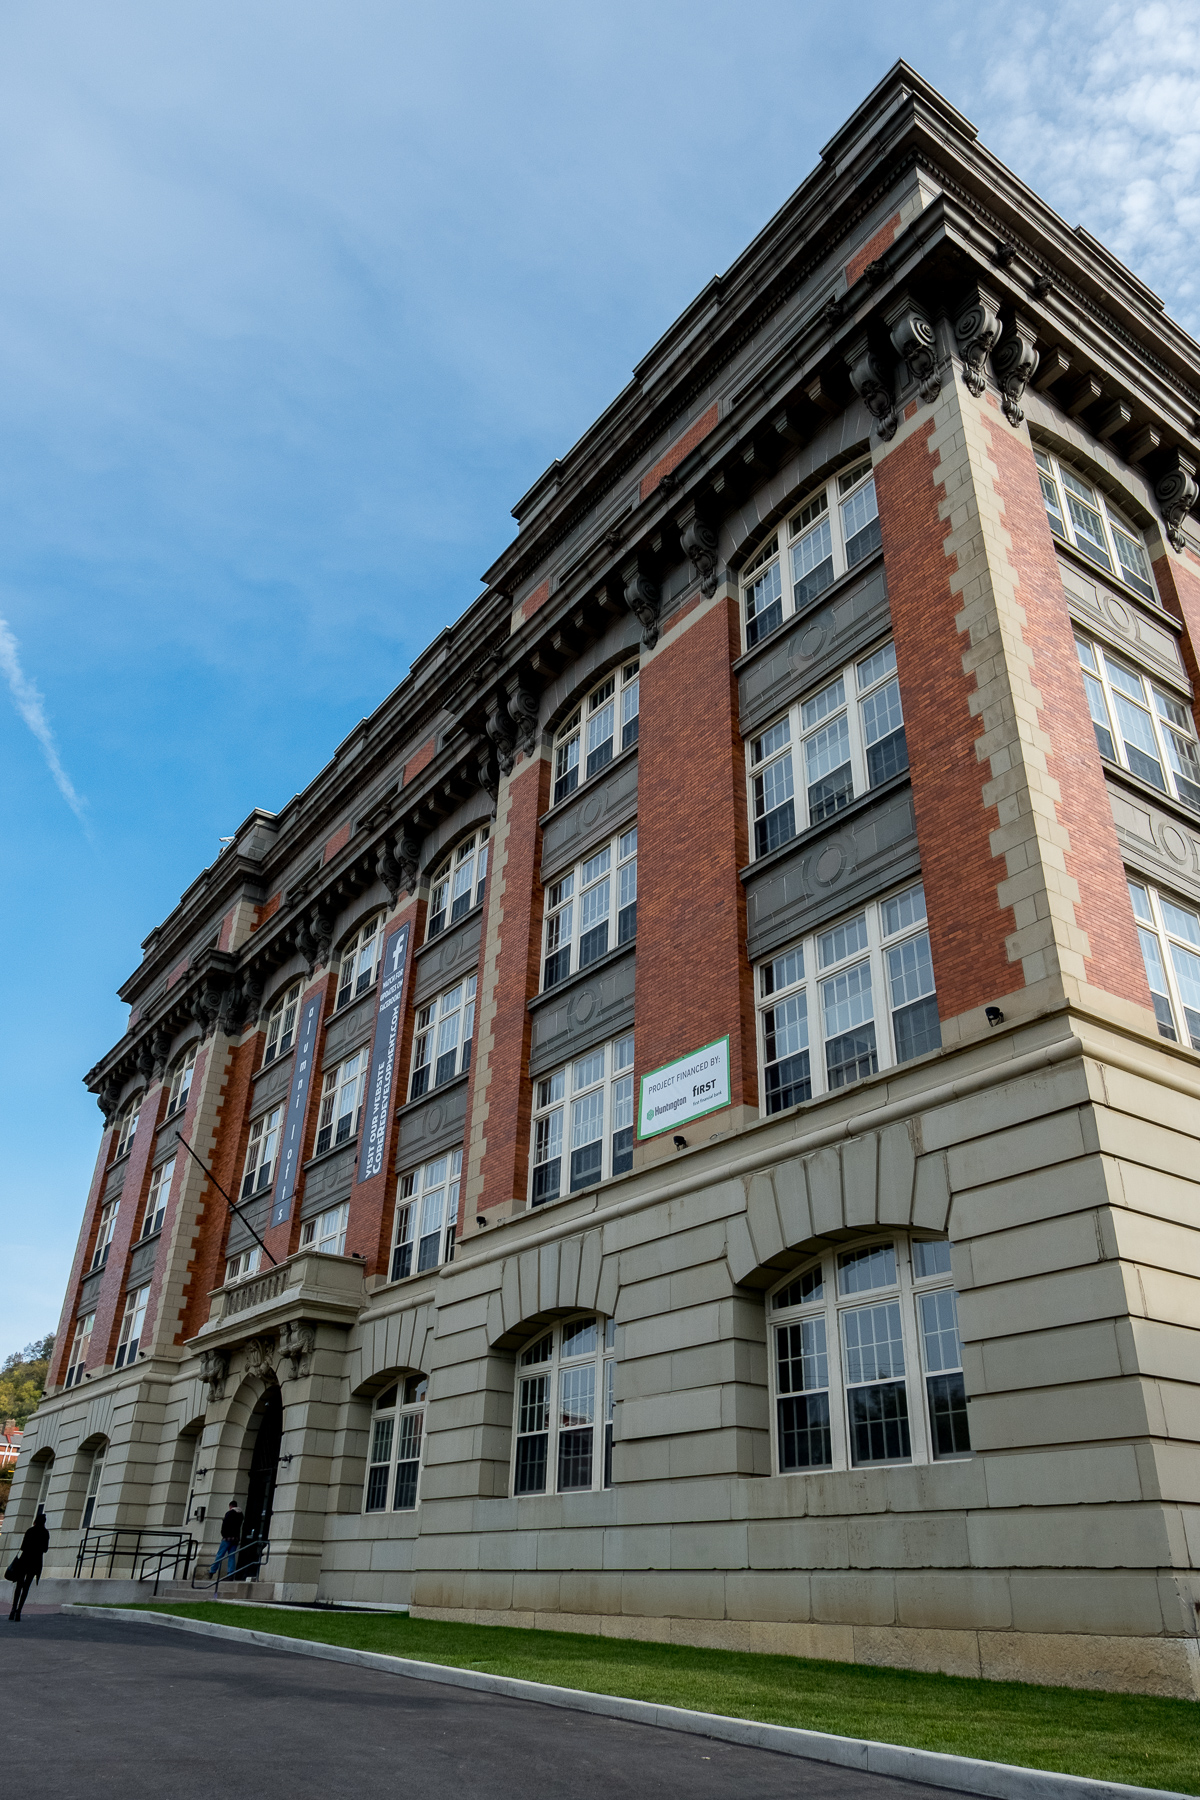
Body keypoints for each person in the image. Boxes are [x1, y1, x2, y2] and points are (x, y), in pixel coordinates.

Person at [7, 1507, 50, 1621]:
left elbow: (23, 1547)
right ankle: (19, 1611)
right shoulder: (45, 1533)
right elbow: (45, 1549)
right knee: (26, 1587)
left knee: (19, 1586)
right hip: (35, 1563)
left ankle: (13, 1609)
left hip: (24, 1561)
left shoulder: (30, 1531)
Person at [207, 1501, 244, 1579]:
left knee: (220, 1555)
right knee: (232, 1556)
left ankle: (212, 1571)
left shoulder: (229, 1513)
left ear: (230, 1506)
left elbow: (225, 1525)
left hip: (227, 1538)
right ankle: (230, 1573)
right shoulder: (240, 1514)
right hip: (235, 1538)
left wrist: (223, 1534)